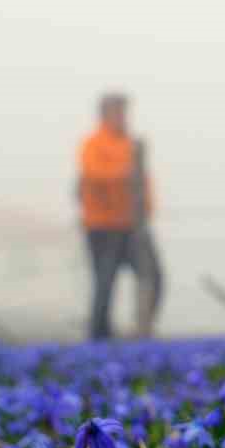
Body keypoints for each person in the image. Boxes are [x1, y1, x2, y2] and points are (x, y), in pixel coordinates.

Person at [77, 93, 163, 341]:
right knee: (105, 283)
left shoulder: (131, 144)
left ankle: (143, 327)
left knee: (154, 276)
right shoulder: (93, 144)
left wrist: (147, 207)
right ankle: (100, 335)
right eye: (119, 112)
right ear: (105, 114)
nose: (124, 117)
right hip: (103, 225)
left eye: (125, 112)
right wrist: (127, 172)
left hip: (133, 224)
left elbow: (143, 180)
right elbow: (94, 174)